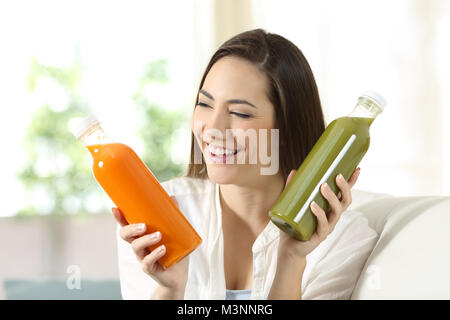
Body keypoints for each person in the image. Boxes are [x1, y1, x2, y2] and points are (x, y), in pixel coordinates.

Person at [113, 29, 378, 300]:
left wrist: (291, 261)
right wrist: (170, 290)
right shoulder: (155, 215)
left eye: (239, 113)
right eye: (205, 104)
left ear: (286, 130)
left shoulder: (343, 240)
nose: (212, 128)